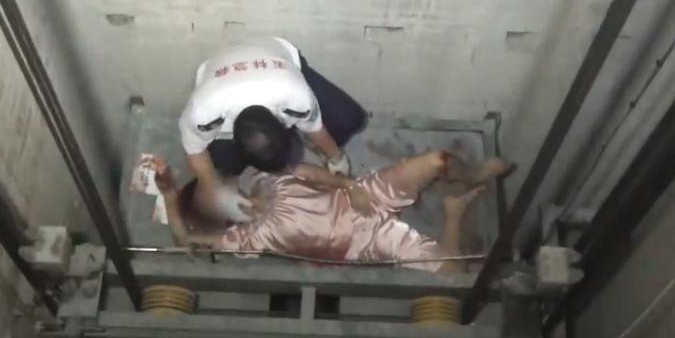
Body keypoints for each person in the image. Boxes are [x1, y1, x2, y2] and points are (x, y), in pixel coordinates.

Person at [147, 151, 515, 274]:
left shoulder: (263, 176)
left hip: (365, 195)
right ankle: (453, 212)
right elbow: (184, 239)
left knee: (437, 161)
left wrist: (350, 185)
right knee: (454, 272)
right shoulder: (246, 239)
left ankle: (472, 175)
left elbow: (310, 173)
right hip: (365, 243)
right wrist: (168, 196)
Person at [178, 37, 367, 223]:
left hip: (279, 62)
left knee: (349, 120)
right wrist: (217, 192)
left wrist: (337, 160)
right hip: (217, 73)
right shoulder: (203, 113)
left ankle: (308, 144)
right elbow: (194, 152)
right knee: (220, 170)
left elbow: (317, 130)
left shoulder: (297, 96)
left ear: (284, 125)